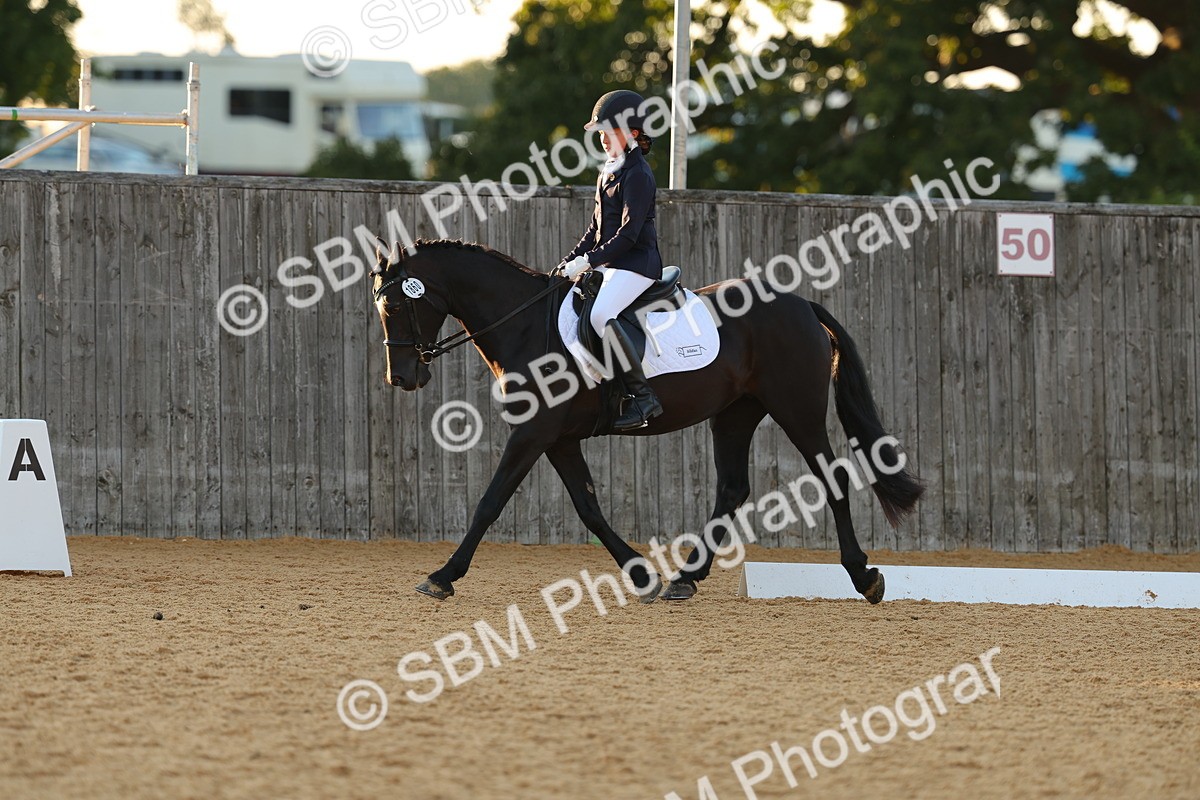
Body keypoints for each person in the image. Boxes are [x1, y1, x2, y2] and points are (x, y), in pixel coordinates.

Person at [558, 89, 664, 431]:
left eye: (609, 131)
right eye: (600, 132)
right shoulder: (610, 170)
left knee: (602, 313)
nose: (602, 138)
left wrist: (589, 262)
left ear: (633, 132)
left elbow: (629, 234)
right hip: (613, 262)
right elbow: (596, 228)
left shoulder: (638, 174)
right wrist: (569, 262)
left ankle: (643, 398)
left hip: (637, 265)